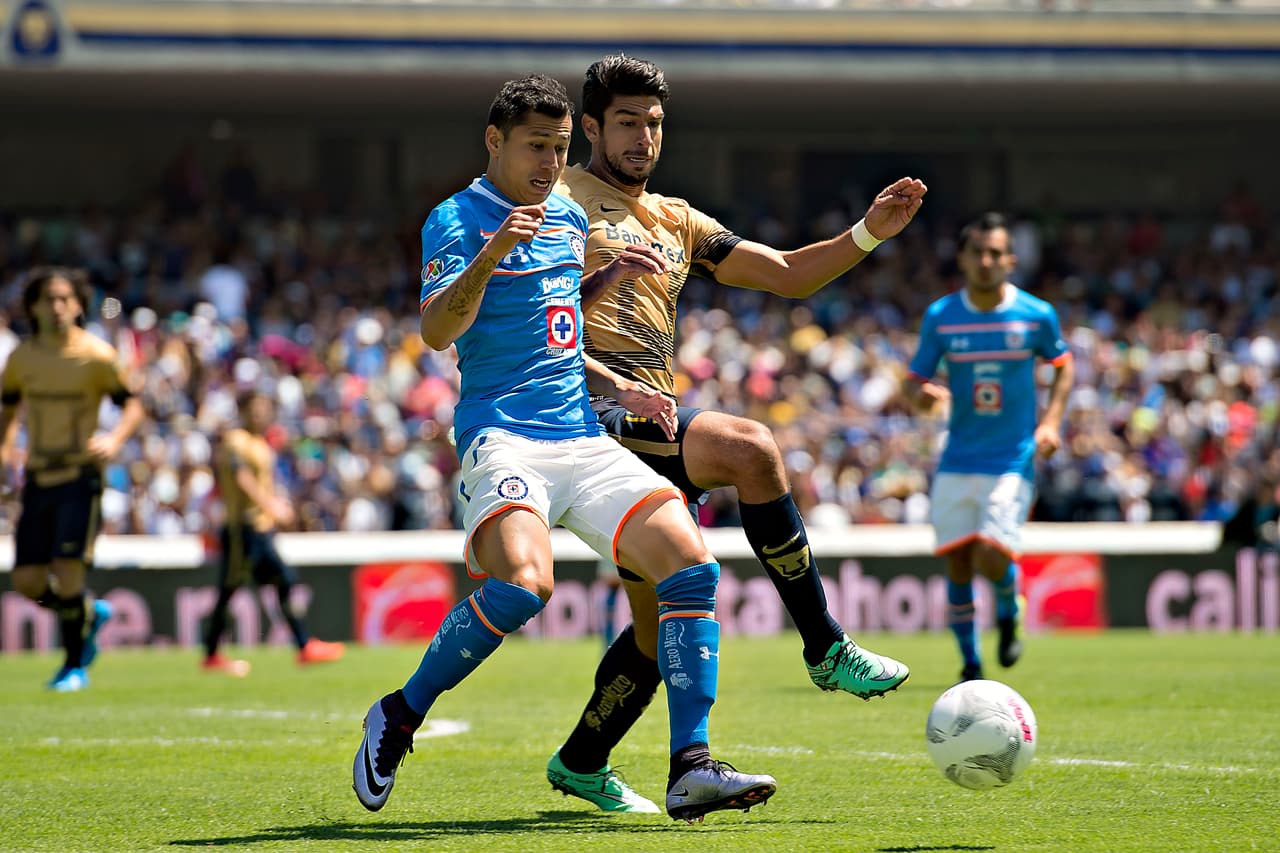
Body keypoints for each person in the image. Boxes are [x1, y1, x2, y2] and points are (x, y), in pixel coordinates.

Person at [351, 74, 776, 823]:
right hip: (504, 436)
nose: (550, 163)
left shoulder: (569, 218)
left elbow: (558, 334)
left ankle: (691, 765)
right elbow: (438, 331)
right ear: (495, 142)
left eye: (557, 147)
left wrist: (623, 384)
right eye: (535, 147)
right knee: (523, 585)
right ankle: (399, 712)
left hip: (581, 434)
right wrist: (489, 254)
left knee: (692, 567)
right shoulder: (454, 217)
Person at [544, 54, 924, 813]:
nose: (643, 137)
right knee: (749, 445)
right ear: (590, 127)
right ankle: (824, 646)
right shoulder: (559, 200)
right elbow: (522, 311)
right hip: (588, 417)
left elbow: (785, 271)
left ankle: (582, 759)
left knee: (656, 629)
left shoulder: (678, 218)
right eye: (626, 122)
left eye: (653, 123)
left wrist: (867, 234)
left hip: (648, 422)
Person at [902, 212, 1074, 682]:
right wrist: (921, 395)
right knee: (958, 561)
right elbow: (913, 382)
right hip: (958, 456)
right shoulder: (942, 316)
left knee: (991, 555)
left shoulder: (1035, 314)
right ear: (962, 258)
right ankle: (971, 664)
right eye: (977, 252)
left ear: (1011, 260)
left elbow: (1063, 363)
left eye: (995, 253)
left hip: (1011, 458)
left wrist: (1052, 422)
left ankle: (1007, 604)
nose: (985, 261)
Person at [0, 267, 145, 691]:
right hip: (40, 477)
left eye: (65, 299)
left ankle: (73, 666)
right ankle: (87, 611)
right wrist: (5, 449)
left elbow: (133, 405)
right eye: (49, 299)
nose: (58, 307)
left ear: (80, 305)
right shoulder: (22, 358)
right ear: (33, 307)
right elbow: (8, 410)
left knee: (67, 569)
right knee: (27, 582)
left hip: (81, 476)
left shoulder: (97, 356)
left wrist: (115, 438)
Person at [201, 390, 346, 675]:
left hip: (260, 529)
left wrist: (277, 506)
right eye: (256, 409)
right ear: (242, 410)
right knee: (231, 590)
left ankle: (304, 646)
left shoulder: (259, 443)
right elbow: (242, 479)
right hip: (243, 529)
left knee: (283, 582)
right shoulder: (236, 441)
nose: (261, 415)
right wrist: (272, 506)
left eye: (264, 409)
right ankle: (212, 653)